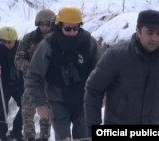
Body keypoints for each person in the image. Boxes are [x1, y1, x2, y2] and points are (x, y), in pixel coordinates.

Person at [84, 9, 159, 129]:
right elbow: (94, 88)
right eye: (150, 32)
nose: (155, 38)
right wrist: (93, 126)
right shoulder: (116, 55)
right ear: (138, 31)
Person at [24, 6, 102, 140]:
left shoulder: (89, 43)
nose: (72, 32)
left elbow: (102, 71)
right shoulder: (47, 45)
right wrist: (40, 103)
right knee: (63, 138)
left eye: (75, 28)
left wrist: (102, 94)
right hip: (57, 101)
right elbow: (33, 75)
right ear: (60, 26)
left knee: (83, 137)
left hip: (84, 101)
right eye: (67, 28)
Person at [15, 9, 55, 141]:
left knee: (46, 113)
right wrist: (32, 68)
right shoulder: (29, 38)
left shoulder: (57, 38)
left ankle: (44, 137)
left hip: (50, 82)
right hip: (31, 82)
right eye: (41, 24)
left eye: (47, 24)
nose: (44, 27)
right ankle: (29, 137)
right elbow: (18, 59)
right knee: (27, 111)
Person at [0, 26, 24, 141]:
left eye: (11, 42)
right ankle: (2, 135)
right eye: (5, 42)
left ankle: (17, 131)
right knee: (2, 111)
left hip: (19, 84)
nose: (8, 44)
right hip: (3, 85)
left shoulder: (21, 49)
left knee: (26, 106)